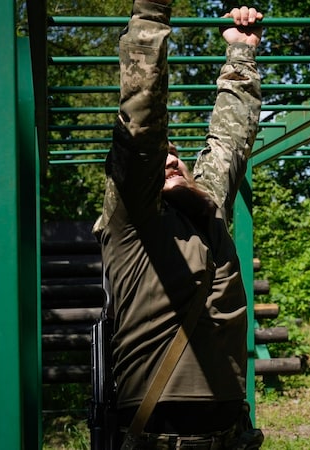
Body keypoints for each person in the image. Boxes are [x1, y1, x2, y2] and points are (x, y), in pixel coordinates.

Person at [92, 1, 264, 448]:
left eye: (176, 154)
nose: (168, 157)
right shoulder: (131, 224)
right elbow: (141, 125)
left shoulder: (208, 209)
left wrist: (241, 53)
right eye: (158, 156)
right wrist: (150, 15)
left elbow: (230, 137)